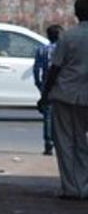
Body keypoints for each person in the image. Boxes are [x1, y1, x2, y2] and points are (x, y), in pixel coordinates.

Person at [40, 0, 88, 199]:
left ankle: (71, 188)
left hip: (65, 94)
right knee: (81, 141)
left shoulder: (68, 36)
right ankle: (84, 186)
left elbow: (55, 68)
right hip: (85, 96)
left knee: (65, 141)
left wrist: (45, 94)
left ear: (76, 13)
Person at [34, 24, 63, 156]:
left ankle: (48, 144)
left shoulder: (42, 50)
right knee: (63, 117)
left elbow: (36, 70)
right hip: (64, 86)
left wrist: (40, 85)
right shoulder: (65, 49)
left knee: (48, 117)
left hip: (47, 86)